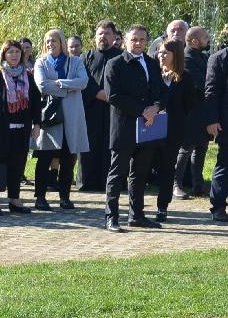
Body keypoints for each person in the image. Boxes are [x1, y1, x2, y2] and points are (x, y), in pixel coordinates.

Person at [103, 24, 166, 231]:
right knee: (117, 173)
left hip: (148, 128)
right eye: (134, 39)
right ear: (125, 40)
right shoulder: (115, 64)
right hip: (124, 127)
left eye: (141, 39)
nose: (138, 43)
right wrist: (142, 110)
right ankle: (111, 217)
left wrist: (156, 107)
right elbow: (113, 96)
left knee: (140, 174)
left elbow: (160, 91)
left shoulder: (151, 62)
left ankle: (136, 215)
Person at [0, 40, 40, 216]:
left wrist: (37, 123)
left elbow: (35, 102)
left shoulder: (27, 76)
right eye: (10, 52)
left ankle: (14, 199)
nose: (14, 55)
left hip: (21, 128)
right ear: (4, 54)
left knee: (17, 164)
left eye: (17, 52)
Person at [31, 29, 89, 210]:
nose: (50, 44)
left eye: (54, 41)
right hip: (50, 117)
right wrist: (68, 88)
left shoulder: (76, 61)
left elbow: (83, 82)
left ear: (62, 42)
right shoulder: (41, 62)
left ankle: (65, 197)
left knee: (68, 158)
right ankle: (40, 197)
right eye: (47, 41)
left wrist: (60, 83)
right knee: (45, 157)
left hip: (71, 117)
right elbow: (42, 85)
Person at [152, 39, 200, 222]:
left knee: (167, 168)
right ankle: (137, 208)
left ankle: (162, 207)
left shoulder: (184, 77)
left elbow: (190, 103)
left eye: (166, 53)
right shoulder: (152, 73)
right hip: (150, 128)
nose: (161, 55)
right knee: (143, 166)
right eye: (160, 52)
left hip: (172, 130)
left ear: (175, 55)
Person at [79, 20, 121, 193]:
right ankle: (87, 182)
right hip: (91, 108)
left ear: (114, 36)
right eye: (100, 34)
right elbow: (83, 79)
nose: (103, 37)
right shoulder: (85, 57)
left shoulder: (122, 57)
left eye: (107, 33)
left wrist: (111, 95)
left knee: (111, 146)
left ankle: (109, 182)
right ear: (95, 37)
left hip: (115, 109)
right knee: (89, 145)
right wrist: (97, 93)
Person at [177, 26, 212, 198]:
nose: (209, 39)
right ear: (194, 41)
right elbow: (202, 83)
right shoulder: (187, 57)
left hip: (203, 111)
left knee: (202, 147)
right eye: (206, 37)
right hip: (190, 111)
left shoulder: (203, 57)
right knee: (186, 149)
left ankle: (198, 185)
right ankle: (176, 184)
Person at [207, 40, 228, 222]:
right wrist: (212, 120)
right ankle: (218, 206)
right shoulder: (219, 59)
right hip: (226, 121)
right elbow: (211, 92)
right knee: (225, 162)